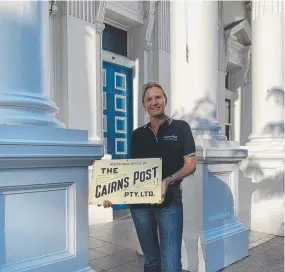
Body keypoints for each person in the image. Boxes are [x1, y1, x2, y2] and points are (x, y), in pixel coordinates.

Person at [103, 81, 196, 272]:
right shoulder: (138, 134)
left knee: (170, 264)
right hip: (140, 205)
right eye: (149, 99)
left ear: (165, 100)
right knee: (151, 260)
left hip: (169, 201)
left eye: (158, 97)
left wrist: (167, 180)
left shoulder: (180, 127)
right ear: (144, 105)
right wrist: (114, 194)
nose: (154, 102)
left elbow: (190, 165)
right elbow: (132, 171)